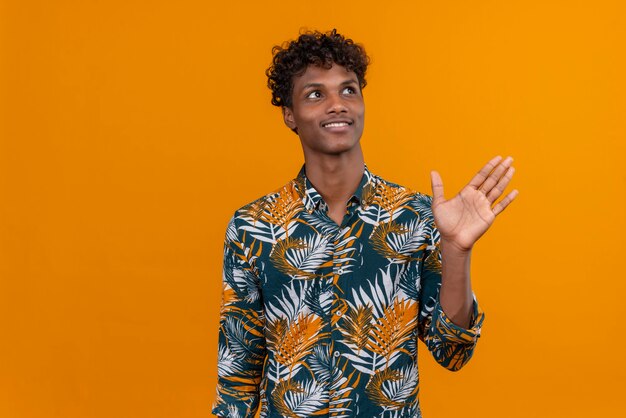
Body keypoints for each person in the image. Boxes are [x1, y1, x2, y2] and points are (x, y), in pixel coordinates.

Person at [212, 29, 518, 418]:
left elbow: (452, 352)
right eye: (315, 94)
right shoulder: (253, 227)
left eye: (349, 90)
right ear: (289, 114)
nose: (337, 104)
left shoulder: (417, 217)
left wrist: (457, 250)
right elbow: (237, 380)